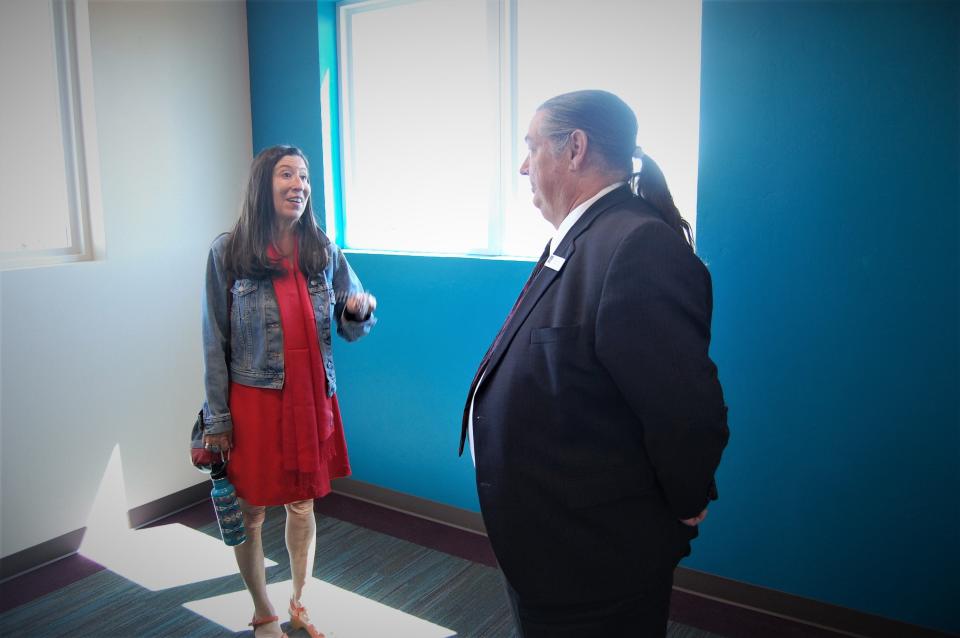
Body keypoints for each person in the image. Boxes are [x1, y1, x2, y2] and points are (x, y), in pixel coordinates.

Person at [461, 90, 729, 637]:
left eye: (532, 146)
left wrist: (686, 498)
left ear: (575, 148)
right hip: (551, 546)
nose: (522, 165)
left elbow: (685, 408)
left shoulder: (637, 245)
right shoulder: (582, 236)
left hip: (594, 559)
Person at [201, 145, 376, 638]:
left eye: (304, 177)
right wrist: (217, 419)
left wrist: (358, 311)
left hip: (312, 396)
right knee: (250, 511)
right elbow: (213, 341)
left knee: (303, 504)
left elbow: (352, 323)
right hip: (254, 403)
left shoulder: (323, 248)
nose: (299, 184)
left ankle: (300, 603)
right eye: (286, 174)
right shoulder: (228, 251)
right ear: (263, 183)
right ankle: (263, 611)